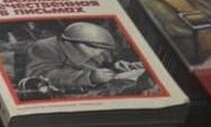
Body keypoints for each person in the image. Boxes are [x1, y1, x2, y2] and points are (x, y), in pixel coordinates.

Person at [13, 22, 146, 99]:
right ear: (71, 43)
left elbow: (100, 62)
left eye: (102, 49)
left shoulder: (94, 49)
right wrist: (88, 77)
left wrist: (116, 66)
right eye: (94, 48)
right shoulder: (44, 47)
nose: (98, 52)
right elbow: (43, 75)